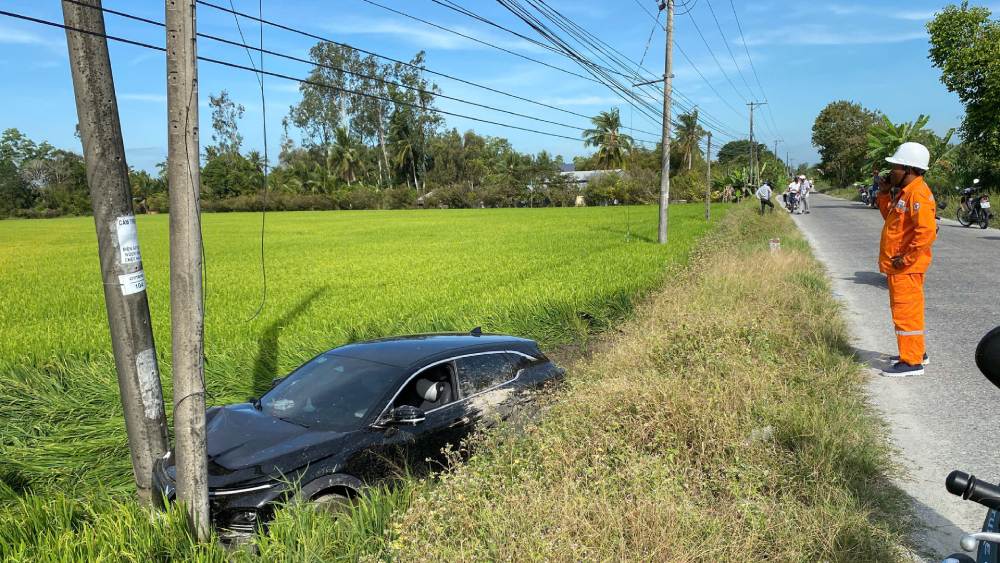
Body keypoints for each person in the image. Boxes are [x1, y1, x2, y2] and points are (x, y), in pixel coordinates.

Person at [876, 142, 937, 377]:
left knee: (905, 311)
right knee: (909, 310)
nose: (892, 172)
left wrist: (906, 258)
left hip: (906, 267)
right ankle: (916, 352)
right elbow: (890, 220)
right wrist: (883, 193)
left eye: (896, 167)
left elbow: (926, 231)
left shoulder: (918, 193)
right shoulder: (906, 193)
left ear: (909, 168)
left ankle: (911, 363)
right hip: (901, 266)